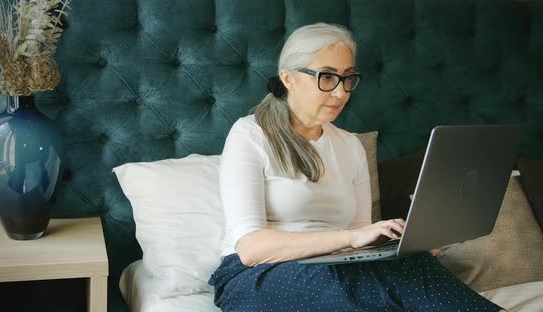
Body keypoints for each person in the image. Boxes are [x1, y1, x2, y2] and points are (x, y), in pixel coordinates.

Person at [208, 23, 505, 312]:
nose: (341, 93)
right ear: (288, 78)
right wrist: (350, 238)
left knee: (412, 266)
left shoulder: (350, 146)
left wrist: (397, 246)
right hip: (256, 276)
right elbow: (250, 249)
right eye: (326, 77)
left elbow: (359, 244)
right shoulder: (250, 134)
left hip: (335, 267)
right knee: (345, 285)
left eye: (348, 78)